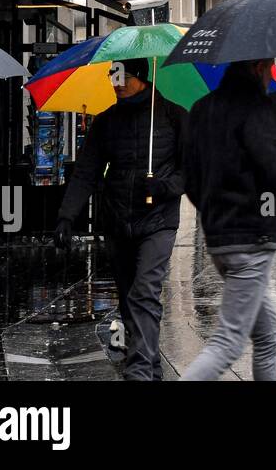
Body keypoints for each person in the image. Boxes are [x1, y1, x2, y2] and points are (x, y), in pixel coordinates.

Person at [53, 57, 186, 380]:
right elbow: (87, 171)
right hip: (116, 220)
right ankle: (151, 365)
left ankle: (139, 371)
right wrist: (66, 216)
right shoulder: (107, 121)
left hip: (158, 220)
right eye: (113, 77)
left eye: (123, 77)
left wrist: (165, 186)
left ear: (141, 77)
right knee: (130, 299)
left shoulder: (174, 117)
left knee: (145, 291)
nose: (117, 84)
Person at [181, 59, 276, 381]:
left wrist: (214, 212)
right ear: (257, 67)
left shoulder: (201, 109)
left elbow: (191, 178)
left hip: (220, 238)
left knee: (268, 338)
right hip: (251, 240)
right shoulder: (255, 110)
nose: (272, 73)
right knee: (228, 342)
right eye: (270, 66)